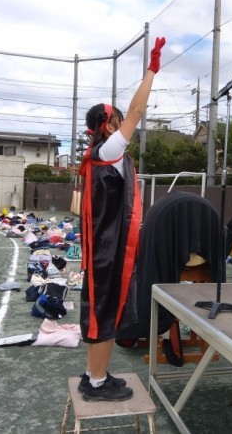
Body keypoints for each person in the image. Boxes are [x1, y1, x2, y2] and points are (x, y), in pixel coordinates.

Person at [77, 36, 165, 402]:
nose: (123, 122)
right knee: (104, 312)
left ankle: (94, 374)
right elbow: (137, 111)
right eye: (117, 118)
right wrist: (151, 70)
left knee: (103, 311)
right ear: (109, 125)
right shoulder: (108, 149)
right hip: (107, 249)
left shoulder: (97, 154)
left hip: (104, 246)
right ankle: (96, 383)